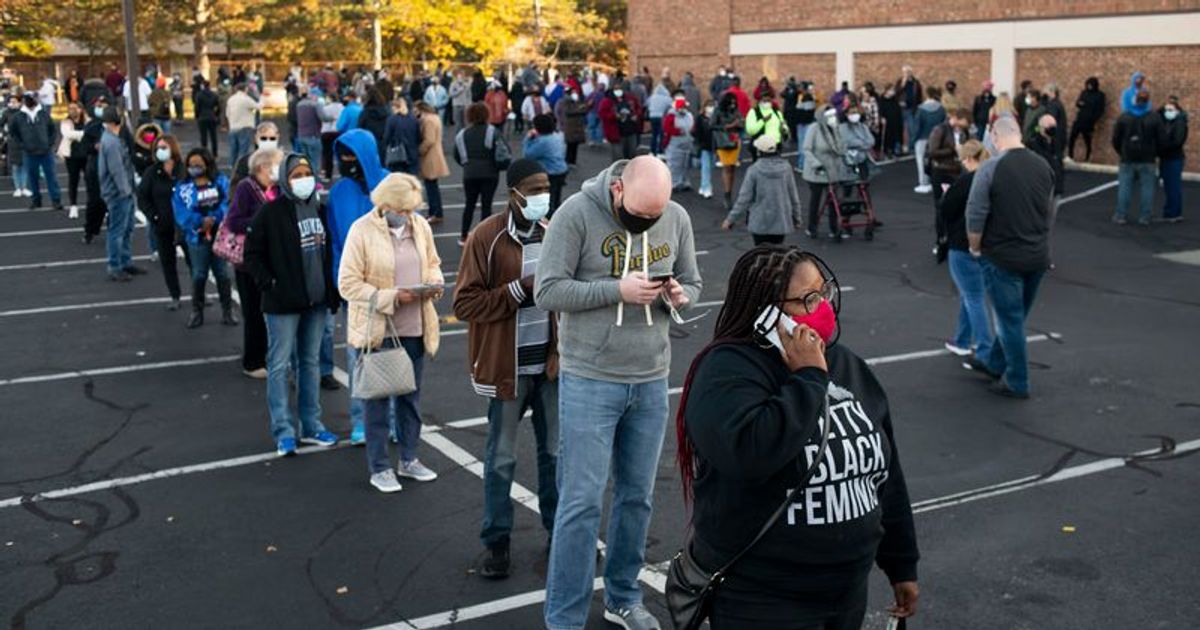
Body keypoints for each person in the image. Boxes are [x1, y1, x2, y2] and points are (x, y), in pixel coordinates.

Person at [676, 245, 920, 630]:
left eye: (823, 292)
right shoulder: (725, 372)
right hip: (764, 599)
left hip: (845, 591)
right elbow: (752, 454)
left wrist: (901, 563)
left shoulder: (845, 364)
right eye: (808, 299)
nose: (823, 306)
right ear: (767, 313)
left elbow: (885, 474)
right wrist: (807, 378)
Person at [536, 155, 701, 630]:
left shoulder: (676, 216)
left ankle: (623, 597)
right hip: (590, 377)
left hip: (650, 376)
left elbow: (691, 280)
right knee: (581, 501)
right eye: (641, 214)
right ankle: (564, 617)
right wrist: (616, 290)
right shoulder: (575, 214)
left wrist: (679, 294)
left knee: (637, 497)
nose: (651, 222)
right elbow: (547, 291)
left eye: (656, 216)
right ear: (617, 191)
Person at [453, 158, 560, 579]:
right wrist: (518, 290)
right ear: (513, 194)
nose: (541, 197)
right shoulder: (486, 238)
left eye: (545, 189)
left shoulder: (554, 233)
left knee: (556, 455)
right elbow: (464, 304)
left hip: (550, 368)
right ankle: (496, 542)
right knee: (501, 459)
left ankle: (560, 534)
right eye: (533, 190)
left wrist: (560, 349)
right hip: (506, 369)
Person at [338, 172, 443, 488]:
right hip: (378, 329)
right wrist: (391, 297)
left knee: (411, 398)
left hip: (415, 327)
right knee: (378, 402)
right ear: (386, 205)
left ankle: (409, 459)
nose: (410, 216)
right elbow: (348, 283)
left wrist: (434, 282)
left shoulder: (420, 227)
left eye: (413, 209)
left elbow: (434, 262)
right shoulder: (362, 231)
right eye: (405, 209)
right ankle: (380, 466)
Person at [243, 153, 341, 456]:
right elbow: (252, 255)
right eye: (296, 174)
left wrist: (331, 292)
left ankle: (311, 425)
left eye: (306, 173)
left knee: (310, 364)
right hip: (282, 304)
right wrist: (270, 283)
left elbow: (329, 253)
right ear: (285, 179)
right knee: (279, 365)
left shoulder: (320, 210)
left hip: (316, 301)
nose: (302, 179)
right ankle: (283, 431)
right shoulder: (271, 213)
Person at [965, 117, 1054, 399]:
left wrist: (975, 248)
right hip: (1037, 255)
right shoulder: (1043, 166)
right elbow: (1048, 210)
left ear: (994, 135)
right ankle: (994, 362)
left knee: (1009, 321)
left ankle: (1017, 380)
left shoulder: (991, 167)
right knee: (1015, 317)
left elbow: (975, 214)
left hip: (1003, 256)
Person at [327, 129, 390, 445]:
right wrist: (341, 281)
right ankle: (361, 421)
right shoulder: (339, 192)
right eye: (343, 157)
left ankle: (390, 419)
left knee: (392, 354)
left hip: (392, 289)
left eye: (353, 156)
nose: (347, 162)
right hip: (355, 291)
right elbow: (336, 242)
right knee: (358, 359)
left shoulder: (393, 185)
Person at [224, 147, 283, 378]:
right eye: (277, 163)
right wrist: (263, 223)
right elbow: (234, 221)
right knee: (254, 312)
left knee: (271, 311)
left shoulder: (277, 189)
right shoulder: (246, 188)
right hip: (249, 261)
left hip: (273, 258)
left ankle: (270, 356)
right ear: (263, 166)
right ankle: (253, 361)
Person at [937, 140, 995, 361]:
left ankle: (984, 350)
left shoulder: (966, 181)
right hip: (986, 245)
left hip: (962, 244)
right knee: (971, 294)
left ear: (970, 159)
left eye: (963, 160)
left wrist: (946, 195)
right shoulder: (992, 178)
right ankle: (962, 340)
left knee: (973, 297)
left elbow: (946, 209)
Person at [173, 146, 236, 328]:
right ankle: (197, 311)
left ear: (207, 164)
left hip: (219, 235)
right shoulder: (183, 187)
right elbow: (181, 213)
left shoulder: (220, 182)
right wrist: (200, 221)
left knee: (222, 274)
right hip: (196, 237)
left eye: (199, 165)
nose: (194, 168)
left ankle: (227, 310)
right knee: (199, 274)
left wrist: (215, 218)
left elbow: (228, 203)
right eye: (191, 165)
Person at [137, 134, 189, 310]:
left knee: (195, 262)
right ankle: (175, 296)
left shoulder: (185, 170)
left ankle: (200, 294)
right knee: (168, 262)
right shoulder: (151, 172)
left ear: (173, 148)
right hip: (163, 226)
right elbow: (142, 197)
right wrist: (154, 216)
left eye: (164, 147)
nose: (161, 151)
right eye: (158, 148)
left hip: (186, 226)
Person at [721, 135, 802, 245]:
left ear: (759, 151)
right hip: (781, 222)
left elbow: (744, 199)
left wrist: (730, 220)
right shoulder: (786, 169)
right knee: (777, 253)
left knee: (761, 255)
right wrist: (797, 219)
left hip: (759, 222)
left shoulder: (754, 170)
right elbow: (793, 196)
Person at [97, 107, 138, 281]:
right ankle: (115, 265)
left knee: (126, 228)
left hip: (120, 190)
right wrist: (126, 191)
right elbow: (117, 170)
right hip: (119, 193)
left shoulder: (109, 139)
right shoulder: (113, 143)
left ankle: (125, 261)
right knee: (118, 230)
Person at [454, 103, 505, 245]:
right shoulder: (492, 131)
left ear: (469, 116)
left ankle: (464, 235)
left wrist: (468, 165)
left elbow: (457, 155)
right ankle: (485, 237)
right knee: (486, 205)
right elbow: (502, 151)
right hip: (490, 173)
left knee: (469, 204)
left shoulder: (462, 134)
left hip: (469, 173)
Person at [1111, 89, 1162, 226]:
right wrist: (1155, 153)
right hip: (1147, 158)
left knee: (1125, 188)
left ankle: (1121, 214)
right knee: (1147, 189)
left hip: (1128, 157)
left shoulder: (1125, 117)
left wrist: (1122, 152)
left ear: (1135, 100)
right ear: (1148, 101)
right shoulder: (1154, 117)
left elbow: (1116, 139)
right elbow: (1161, 139)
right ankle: (1145, 216)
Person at [10, 92, 63, 211]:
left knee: (51, 177)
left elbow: (53, 130)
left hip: (46, 152)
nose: (31, 101)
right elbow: (13, 133)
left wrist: (49, 144)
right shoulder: (18, 117)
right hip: (29, 152)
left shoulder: (43, 114)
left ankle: (56, 200)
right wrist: (23, 145)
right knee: (32, 178)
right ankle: (36, 200)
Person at [802, 106, 849, 241]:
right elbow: (807, 149)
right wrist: (816, 164)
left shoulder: (836, 128)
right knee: (815, 200)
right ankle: (812, 227)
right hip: (817, 170)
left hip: (832, 170)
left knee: (833, 201)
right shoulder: (814, 128)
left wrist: (837, 133)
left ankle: (834, 228)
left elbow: (841, 149)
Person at [927, 108, 970, 247]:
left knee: (958, 206)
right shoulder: (940, 129)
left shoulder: (963, 132)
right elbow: (932, 151)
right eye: (965, 121)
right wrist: (952, 150)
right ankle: (941, 239)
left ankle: (954, 237)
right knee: (941, 206)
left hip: (957, 172)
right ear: (957, 118)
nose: (966, 125)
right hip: (941, 171)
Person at [522, 114, 569, 213]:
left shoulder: (543, 142)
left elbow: (528, 154)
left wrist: (528, 139)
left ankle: (550, 222)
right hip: (561, 170)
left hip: (550, 172)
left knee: (548, 201)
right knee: (556, 198)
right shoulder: (558, 136)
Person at [416, 101, 450, 225]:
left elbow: (429, 140)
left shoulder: (427, 120)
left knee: (431, 187)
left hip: (430, 157)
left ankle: (435, 212)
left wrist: (419, 150)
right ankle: (435, 212)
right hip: (436, 154)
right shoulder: (435, 117)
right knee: (433, 186)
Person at [1158, 96, 1188, 224]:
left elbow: (1177, 141)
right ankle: (1170, 212)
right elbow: (1158, 113)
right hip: (1166, 157)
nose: (1168, 111)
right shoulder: (1167, 122)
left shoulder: (1180, 122)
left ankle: (1174, 213)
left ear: (1177, 110)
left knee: (1173, 187)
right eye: (1166, 109)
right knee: (1168, 186)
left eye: (1171, 109)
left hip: (1174, 158)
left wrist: (1163, 146)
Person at [712, 92, 745, 209]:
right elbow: (712, 125)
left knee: (732, 168)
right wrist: (729, 126)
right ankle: (727, 195)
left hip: (735, 142)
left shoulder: (736, 110)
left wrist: (740, 124)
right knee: (727, 167)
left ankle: (729, 191)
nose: (733, 104)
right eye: (730, 102)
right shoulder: (718, 111)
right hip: (723, 142)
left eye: (734, 102)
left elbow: (742, 122)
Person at [57, 101, 89, 219]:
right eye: (70, 108)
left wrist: (78, 134)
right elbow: (67, 134)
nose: (72, 111)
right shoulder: (66, 121)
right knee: (73, 181)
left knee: (90, 181)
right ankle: (73, 206)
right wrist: (83, 134)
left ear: (80, 109)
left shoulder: (87, 120)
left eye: (74, 108)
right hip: (72, 156)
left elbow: (90, 133)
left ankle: (92, 204)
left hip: (86, 155)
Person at [912, 86, 945, 194]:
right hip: (937, 137)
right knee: (937, 160)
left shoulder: (921, 109)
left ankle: (924, 183)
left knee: (921, 161)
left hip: (922, 137)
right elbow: (944, 123)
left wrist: (913, 140)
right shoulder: (941, 108)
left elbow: (917, 126)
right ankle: (936, 181)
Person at [231, 122, 281, 190]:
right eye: (263, 138)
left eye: (272, 138)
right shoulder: (245, 161)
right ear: (256, 139)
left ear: (277, 138)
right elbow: (236, 187)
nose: (268, 141)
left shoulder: (284, 161)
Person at [661, 92, 695, 192]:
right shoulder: (671, 116)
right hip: (674, 145)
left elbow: (692, 126)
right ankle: (673, 183)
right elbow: (667, 128)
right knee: (674, 165)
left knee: (686, 165)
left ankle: (684, 182)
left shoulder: (689, 115)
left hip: (687, 143)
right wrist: (678, 131)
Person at [598, 85, 642, 162]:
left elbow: (638, 108)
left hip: (631, 130)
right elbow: (603, 114)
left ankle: (631, 172)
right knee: (618, 157)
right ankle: (618, 173)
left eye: (620, 89)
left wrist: (636, 115)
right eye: (616, 89)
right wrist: (614, 116)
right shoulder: (607, 101)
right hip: (616, 133)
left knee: (632, 155)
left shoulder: (630, 98)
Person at [1068, 77, 1106, 163]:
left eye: (1091, 85)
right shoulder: (1084, 93)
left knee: (1087, 139)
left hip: (1089, 121)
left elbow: (1100, 109)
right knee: (1072, 137)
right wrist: (1082, 104)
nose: (1089, 87)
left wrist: (1094, 119)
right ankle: (1070, 156)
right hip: (1080, 118)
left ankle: (1087, 157)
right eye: (1088, 85)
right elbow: (1078, 103)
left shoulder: (1100, 95)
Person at [745, 87, 788, 161]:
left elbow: (784, 125)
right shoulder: (754, 112)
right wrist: (763, 121)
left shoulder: (776, 112)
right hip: (761, 147)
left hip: (776, 146)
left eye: (769, 100)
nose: (767, 102)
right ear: (760, 101)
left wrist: (784, 129)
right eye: (764, 101)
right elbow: (750, 130)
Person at [226, 83, 261, 167]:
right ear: (245, 89)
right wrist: (262, 98)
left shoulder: (231, 99)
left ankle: (231, 166)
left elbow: (227, 114)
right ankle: (240, 167)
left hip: (233, 127)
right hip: (245, 126)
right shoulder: (246, 99)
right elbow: (258, 106)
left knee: (233, 149)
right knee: (243, 150)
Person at [294, 89, 327, 175]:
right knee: (315, 161)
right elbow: (323, 117)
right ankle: (315, 181)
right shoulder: (316, 105)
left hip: (301, 135)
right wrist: (332, 117)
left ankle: (306, 178)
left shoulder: (299, 105)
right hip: (313, 136)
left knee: (306, 161)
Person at [554, 87, 588, 166]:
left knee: (574, 145)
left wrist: (581, 108)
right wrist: (580, 109)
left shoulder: (576, 101)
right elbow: (568, 112)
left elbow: (584, 109)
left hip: (576, 126)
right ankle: (568, 161)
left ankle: (572, 161)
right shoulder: (565, 101)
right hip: (569, 127)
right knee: (569, 145)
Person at [357, 88, 392, 164]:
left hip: (368, 143)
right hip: (383, 143)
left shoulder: (365, 113)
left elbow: (359, 128)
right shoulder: (387, 111)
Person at [895, 65, 924, 152]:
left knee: (912, 128)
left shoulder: (915, 83)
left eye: (908, 72)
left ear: (911, 73)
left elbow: (919, 95)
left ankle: (911, 147)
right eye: (904, 72)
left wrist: (919, 106)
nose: (906, 74)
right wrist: (903, 84)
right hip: (901, 108)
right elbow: (896, 93)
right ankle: (900, 147)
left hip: (912, 108)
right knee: (899, 128)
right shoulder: (900, 82)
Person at [693, 100, 716, 199]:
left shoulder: (715, 118)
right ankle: (707, 188)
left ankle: (703, 186)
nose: (711, 108)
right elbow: (696, 132)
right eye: (709, 106)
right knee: (706, 167)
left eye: (712, 106)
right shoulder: (700, 118)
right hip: (704, 146)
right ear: (705, 107)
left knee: (711, 167)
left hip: (714, 146)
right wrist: (699, 143)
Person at [318, 95, 344, 181]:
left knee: (327, 155)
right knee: (340, 154)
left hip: (326, 132)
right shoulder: (342, 108)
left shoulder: (326, 108)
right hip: (338, 132)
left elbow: (322, 118)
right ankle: (342, 173)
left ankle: (328, 175)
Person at [194, 80, 220, 158]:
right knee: (213, 136)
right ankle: (215, 153)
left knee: (203, 136)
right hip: (211, 116)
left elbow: (197, 107)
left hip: (202, 116)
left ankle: (204, 153)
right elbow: (218, 106)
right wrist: (216, 114)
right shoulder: (214, 95)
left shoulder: (199, 95)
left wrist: (197, 115)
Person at [646, 84, 672, 157]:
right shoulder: (667, 98)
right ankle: (660, 151)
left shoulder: (652, 97)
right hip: (661, 117)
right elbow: (671, 106)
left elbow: (647, 104)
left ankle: (652, 151)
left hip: (652, 117)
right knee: (661, 135)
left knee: (654, 134)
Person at [878, 86, 903, 159]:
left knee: (894, 136)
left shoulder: (894, 100)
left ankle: (893, 151)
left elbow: (898, 110)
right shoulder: (882, 100)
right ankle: (886, 151)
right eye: (891, 90)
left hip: (895, 121)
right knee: (887, 137)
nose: (893, 92)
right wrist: (882, 117)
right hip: (887, 121)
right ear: (887, 91)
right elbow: (880, 110)